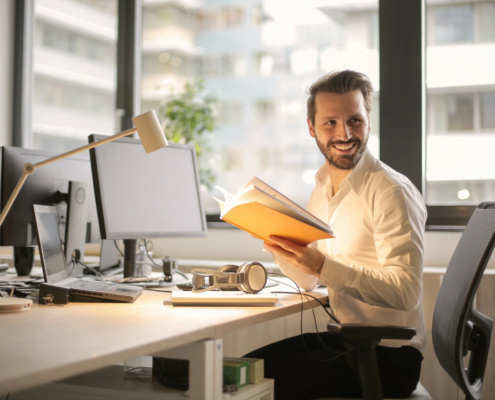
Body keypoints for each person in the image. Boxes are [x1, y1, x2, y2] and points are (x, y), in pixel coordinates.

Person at [245, 70, 426, 399]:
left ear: (368, 120)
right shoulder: (322, 188)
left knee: (247, 386)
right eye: (330, 122)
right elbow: (308, 281)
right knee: (242, 368)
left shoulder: (390, 191)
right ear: (311, 127)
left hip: (389, 358)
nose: (345, 133)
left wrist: (321, 266)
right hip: (348, 341)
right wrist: (279, 245)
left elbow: (405, 291)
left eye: (355, 120)